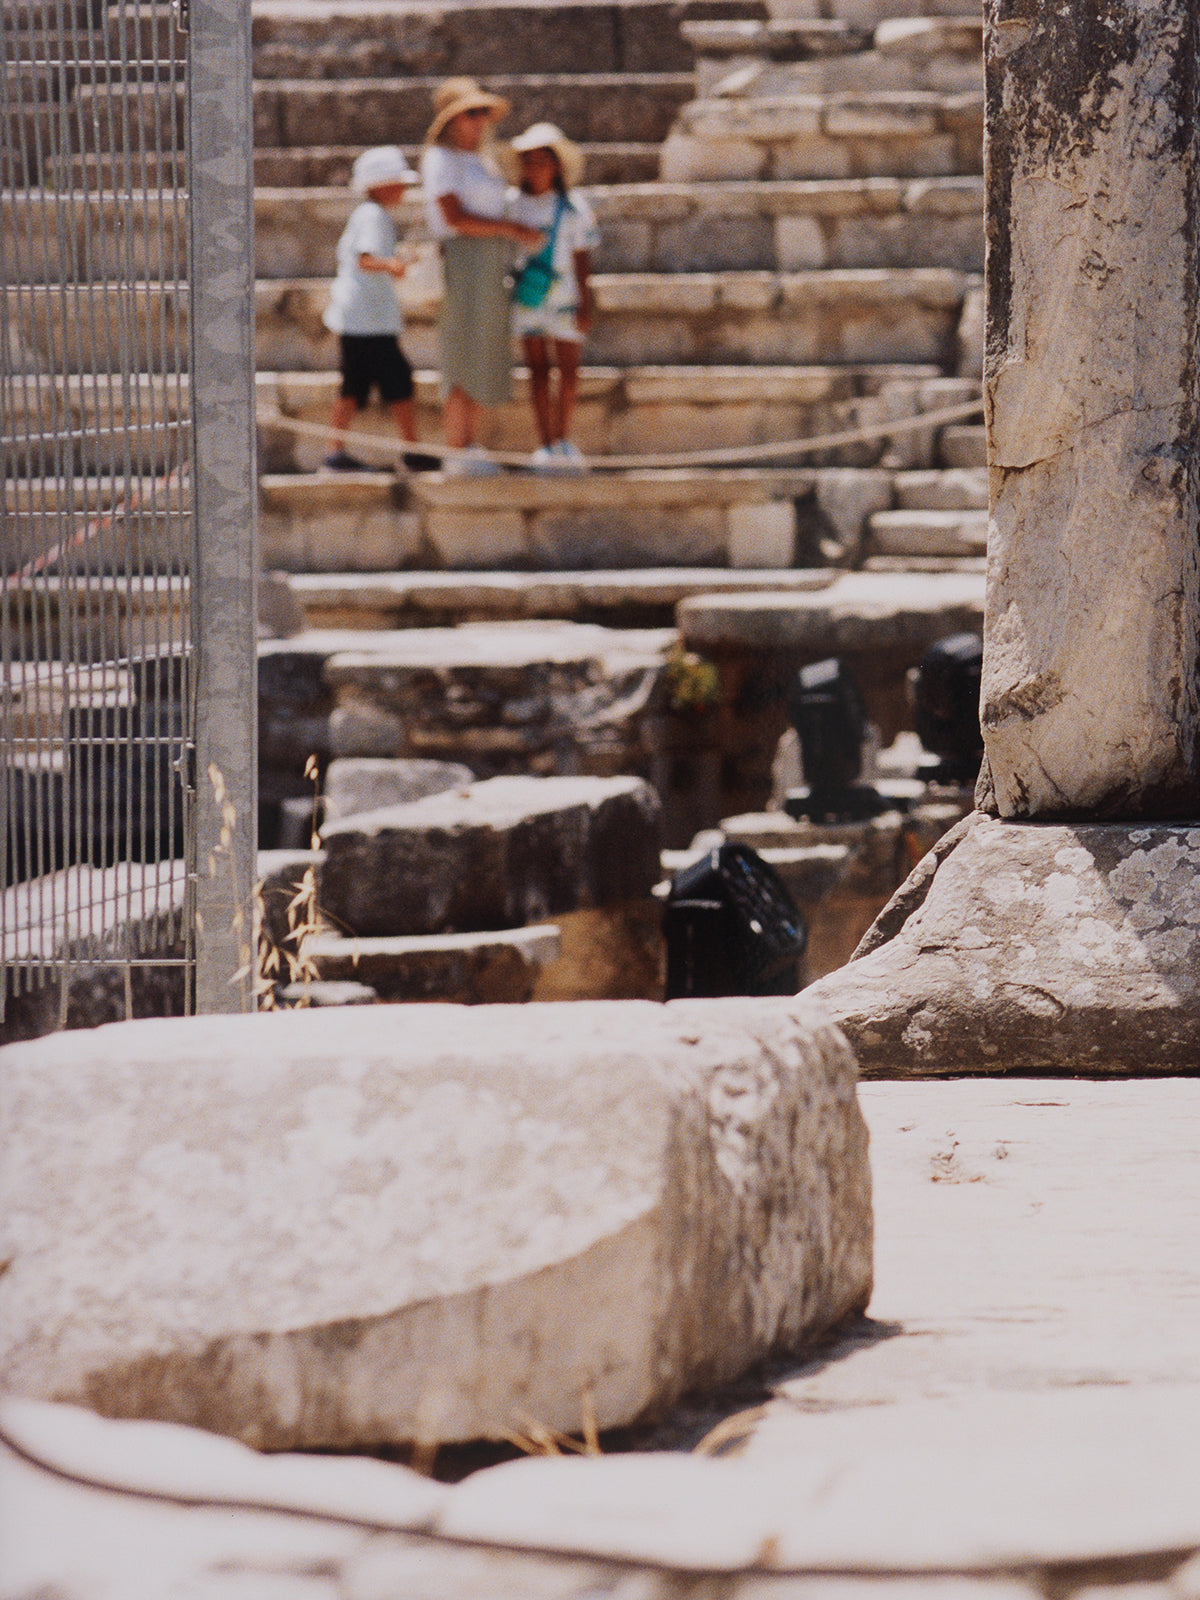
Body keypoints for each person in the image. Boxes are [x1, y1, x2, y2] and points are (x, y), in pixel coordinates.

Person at [420, 78, 543, 474]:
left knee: (481, 349)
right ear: (451, 120)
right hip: (464, 260)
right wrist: (510, 231)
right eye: (470, 113)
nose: (479, 120)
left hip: (490, 262)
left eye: (482, 112)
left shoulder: (483, 160)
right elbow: (454, 218)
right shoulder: (441, 159)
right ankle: (457, 447)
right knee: (460, 350)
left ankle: (469, 443)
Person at [500, 122, 599, 472]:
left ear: (556, 165)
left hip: (565, 296)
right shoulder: (512, 205)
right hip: (528, 297)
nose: (535, 168)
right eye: (529, 160)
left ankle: (562, 438)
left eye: (542, 160)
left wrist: (586, 302)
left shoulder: (573, 206)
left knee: (568, 372)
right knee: (538, 371)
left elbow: (581, 255)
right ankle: (545, 443)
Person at [321, 145, 422, 471]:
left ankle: (338, 450)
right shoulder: (373, 216)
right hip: (369, 322)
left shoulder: (369, 215)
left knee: (359, 385)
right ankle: (409, 449)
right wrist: (395, 265)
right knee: (391, 382)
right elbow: (366, 260)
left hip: (365, 319)